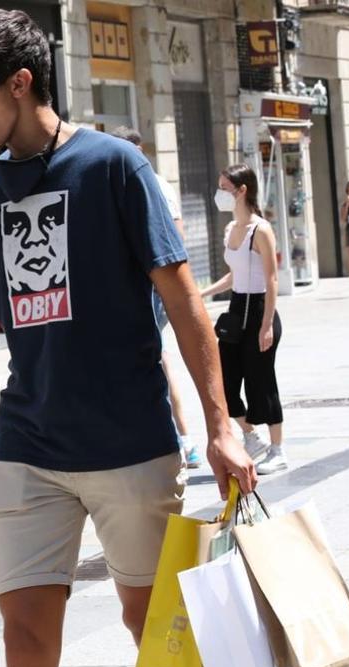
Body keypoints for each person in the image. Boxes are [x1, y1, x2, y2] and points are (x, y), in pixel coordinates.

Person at [0, 10, 256, 667]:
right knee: (24, 632)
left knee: (151, 623)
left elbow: (185, 302)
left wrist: (221, 426)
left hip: (127, 440)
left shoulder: (114, 165)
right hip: (27, 442)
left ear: (18, 82)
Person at [110, 126, 201, 469]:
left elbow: (174, 239)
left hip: (148, 289)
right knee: (155, 358)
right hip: (139, 289)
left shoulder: (152, 184)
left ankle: (181, 438)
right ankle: (179, 438)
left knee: (155, 358)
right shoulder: (130, 181)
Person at [201, 165, 288, 475]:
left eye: (225, 187)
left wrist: (266, 325)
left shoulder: (260, 229)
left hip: (259, 308)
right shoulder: (230, 230)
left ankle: (278, 449)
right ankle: (251, 437)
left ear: (242, 191)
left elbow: (272, 278)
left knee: (261, 381)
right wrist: (203, 294)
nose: (219, 193)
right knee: (223, 381)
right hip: (237, 311)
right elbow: (234, 274)